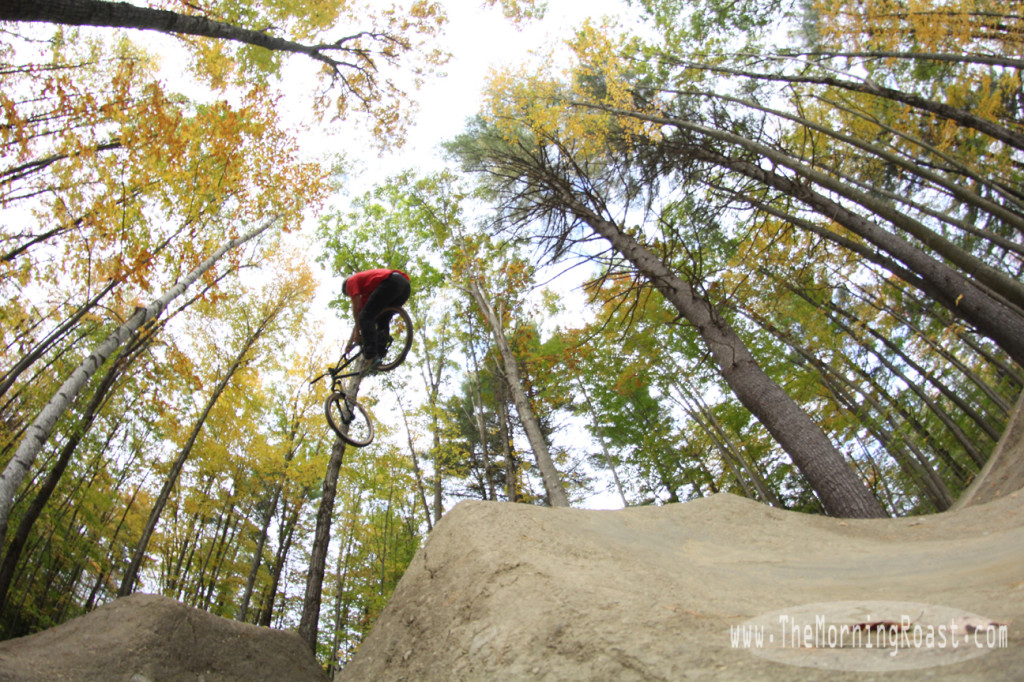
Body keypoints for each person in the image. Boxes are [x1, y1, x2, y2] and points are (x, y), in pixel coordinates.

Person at [342, 268, 411, 361]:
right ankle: (380, 353)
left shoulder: (350, 282)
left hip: (391, 282)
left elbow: (358, 310)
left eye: (348, 294)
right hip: (404, 287)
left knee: (365, 316)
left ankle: (371, 354)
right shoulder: (368, 292)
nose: (351, 295)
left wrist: (358, 332)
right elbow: (360, 319)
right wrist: (350, 343)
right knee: (382, 319)